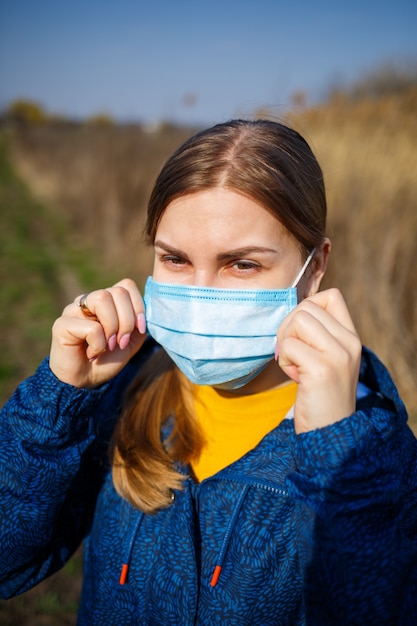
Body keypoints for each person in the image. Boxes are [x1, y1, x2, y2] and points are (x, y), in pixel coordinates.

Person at [0, 119, 416, 625]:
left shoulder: (371, 449)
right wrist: (57, 397)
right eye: (174, 259)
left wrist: (335, 448)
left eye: (242, 264)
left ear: (315, 267)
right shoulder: (125, 393)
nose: (201, 297)